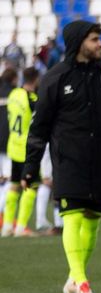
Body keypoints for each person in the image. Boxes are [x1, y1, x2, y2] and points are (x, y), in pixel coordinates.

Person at [24, 20, 101, 293]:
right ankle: (83, 281)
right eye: (95, 39)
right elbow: (39, 126)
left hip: (100, 159)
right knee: (72, 216)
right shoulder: (55, 77)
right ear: (79, 42)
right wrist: (30, 165)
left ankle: (74, 277)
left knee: (93, 219)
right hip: (68, 158)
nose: (100, 44)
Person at [3, 66, 40, 236]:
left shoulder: (13, 94)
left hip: (13, 146)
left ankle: (7, 226)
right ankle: (21, 227)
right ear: (36, 79)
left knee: (14, 186)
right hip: (27, 149)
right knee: (31, 187)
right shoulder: (32, 98)